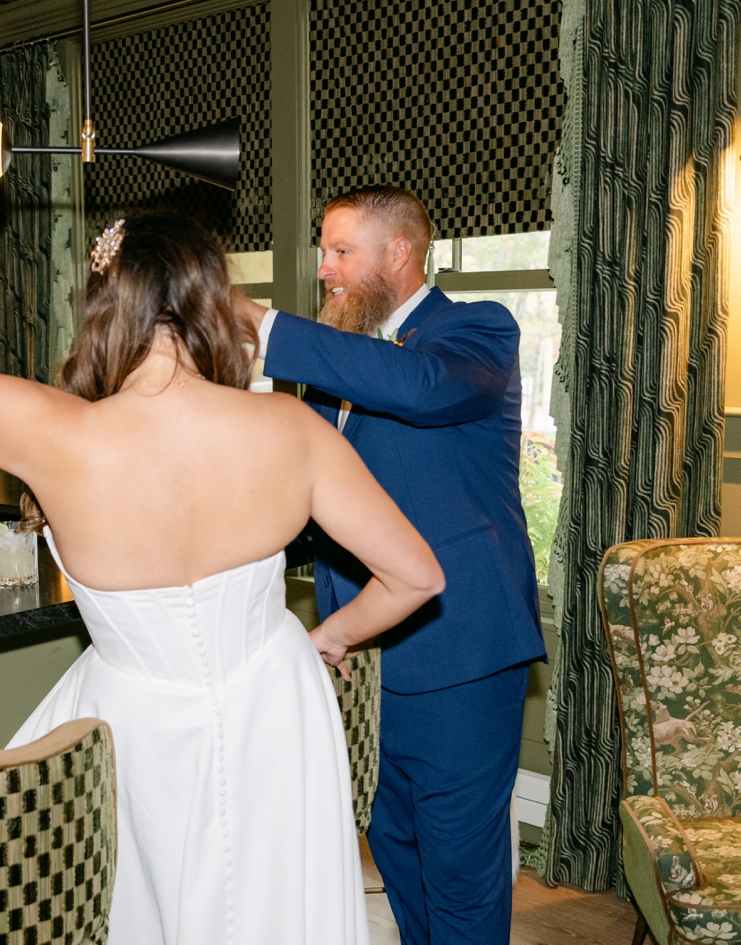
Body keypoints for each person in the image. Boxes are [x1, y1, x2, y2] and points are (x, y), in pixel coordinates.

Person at [0, 111, 444, 944]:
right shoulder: (293, 432)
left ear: (105, 307)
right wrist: (325, 639)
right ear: (211, 302)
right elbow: (417, 576)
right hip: (276, 709)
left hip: (138, 731)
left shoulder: (54, 434)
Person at [231, 185, 548, 945]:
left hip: (462, 654)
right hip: (370, 653)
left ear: (399, 253)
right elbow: (312, 485)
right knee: (397, 847)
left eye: (341, 251)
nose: (325, 268)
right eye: (323, 251)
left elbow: (419, 389)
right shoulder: (348, 361)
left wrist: (267, 326)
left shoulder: (475, 331)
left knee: (461, 869)